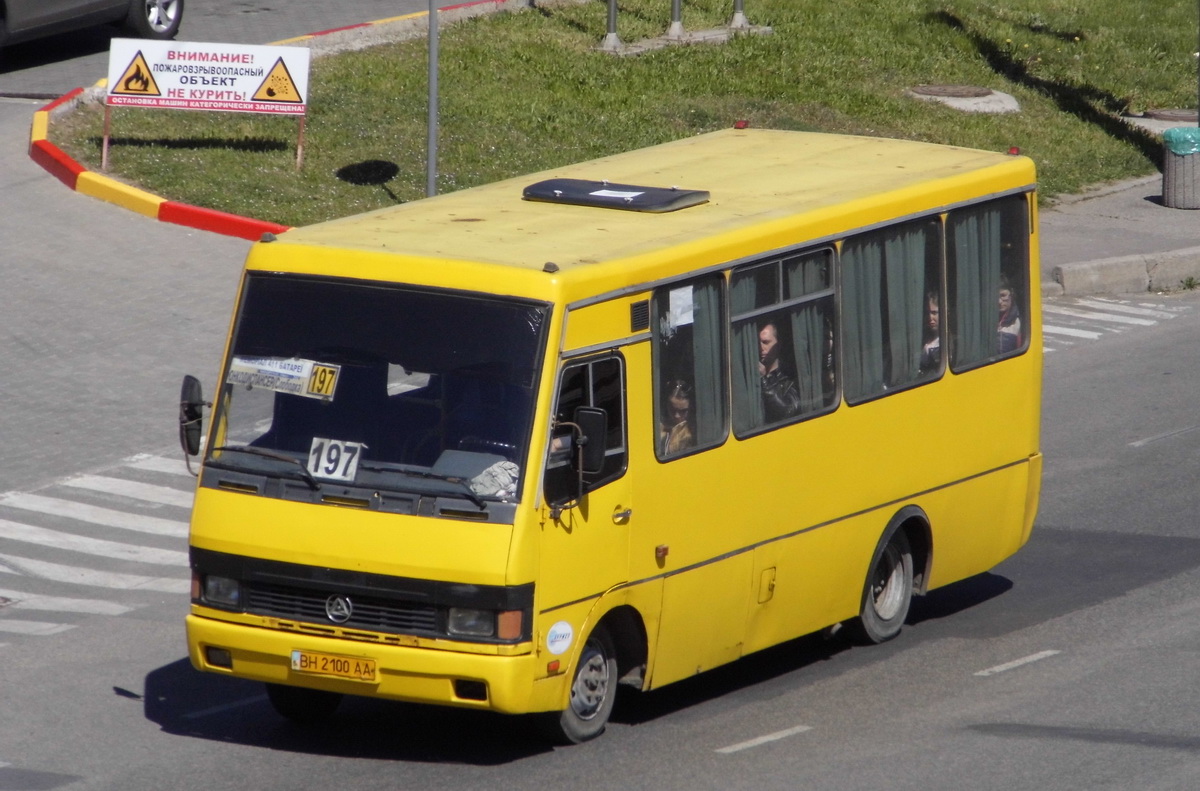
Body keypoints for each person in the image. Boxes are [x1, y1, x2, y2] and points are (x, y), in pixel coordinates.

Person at [758, 322, 801, 423]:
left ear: (778, 344)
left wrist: (763, 380)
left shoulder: (789, 376)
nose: (761, 348)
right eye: (758, 343)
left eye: (766, 342)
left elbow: (788, 411)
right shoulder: (749, 376)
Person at [659, 380, 695, 455]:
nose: (676, 415)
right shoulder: (658, 425)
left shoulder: (691, 433)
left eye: (683, 411)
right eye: (672, 409)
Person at [997, 278, 1022, 353]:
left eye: (1003, 295)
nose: (999, 301)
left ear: (1011, 293)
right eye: (995, 297)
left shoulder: (1018, 322)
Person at [919, 291, 941, 374]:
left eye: (934, 313)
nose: (930, 317)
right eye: (927, 313)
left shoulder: (949, 344)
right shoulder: (920, 339)